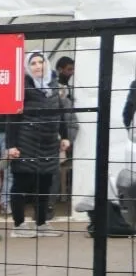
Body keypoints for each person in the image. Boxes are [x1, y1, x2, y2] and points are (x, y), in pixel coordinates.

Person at [7, 52, 71, 239]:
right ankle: (19, 225)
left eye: (40, 62)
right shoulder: (22, 88)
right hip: (26, 141)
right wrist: (11, 145)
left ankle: (41, 223)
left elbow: (61, 113)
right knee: (22, 183)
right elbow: (13, 118)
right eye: (33, 63)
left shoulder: (53, 85)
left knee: (45, 183)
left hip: (49, 142)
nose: (37, 66)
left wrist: (64, 136)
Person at [54, 56, 80, 211]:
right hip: (60, 131)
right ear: (60, 69)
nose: (71, 72)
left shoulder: (66, 85)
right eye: (69, 69)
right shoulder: (58, 86)